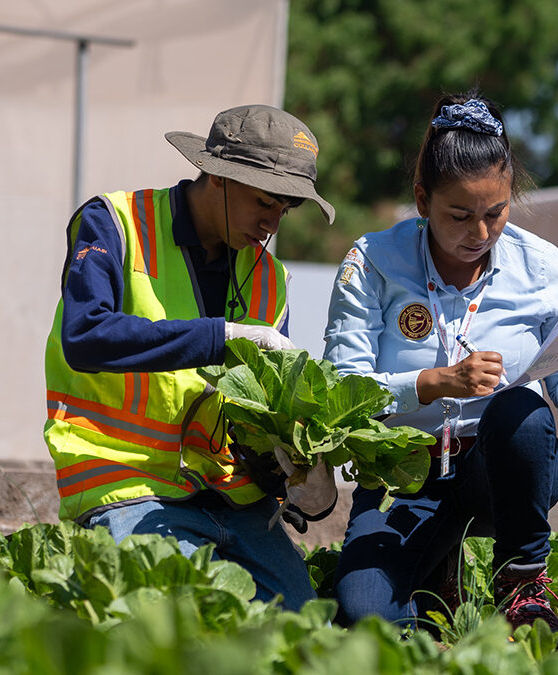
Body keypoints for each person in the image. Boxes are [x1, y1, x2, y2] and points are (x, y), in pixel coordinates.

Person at [323, 93, 558, 635]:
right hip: (403, 472)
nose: (479, 234)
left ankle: (523, 581)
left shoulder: (542, 266)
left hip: (500, 472)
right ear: (421, 200)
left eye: (495, 214)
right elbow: (340, 391)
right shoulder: (373, 262)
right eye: (459, 215)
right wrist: (434, 384)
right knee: (368, 620)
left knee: (518, 408)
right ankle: (439, 582)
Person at [43, 104, 338, 611]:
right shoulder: (114, 223)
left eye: (285, 210)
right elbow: (85, 336)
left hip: (234, 498)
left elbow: (255, 415)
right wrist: (220, 336)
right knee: (182, 626)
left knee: (306, 630)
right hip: (127, 483)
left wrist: (299, 479)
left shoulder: (272, 280)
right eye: (265, 201)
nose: (271, 224)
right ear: (218, 177)